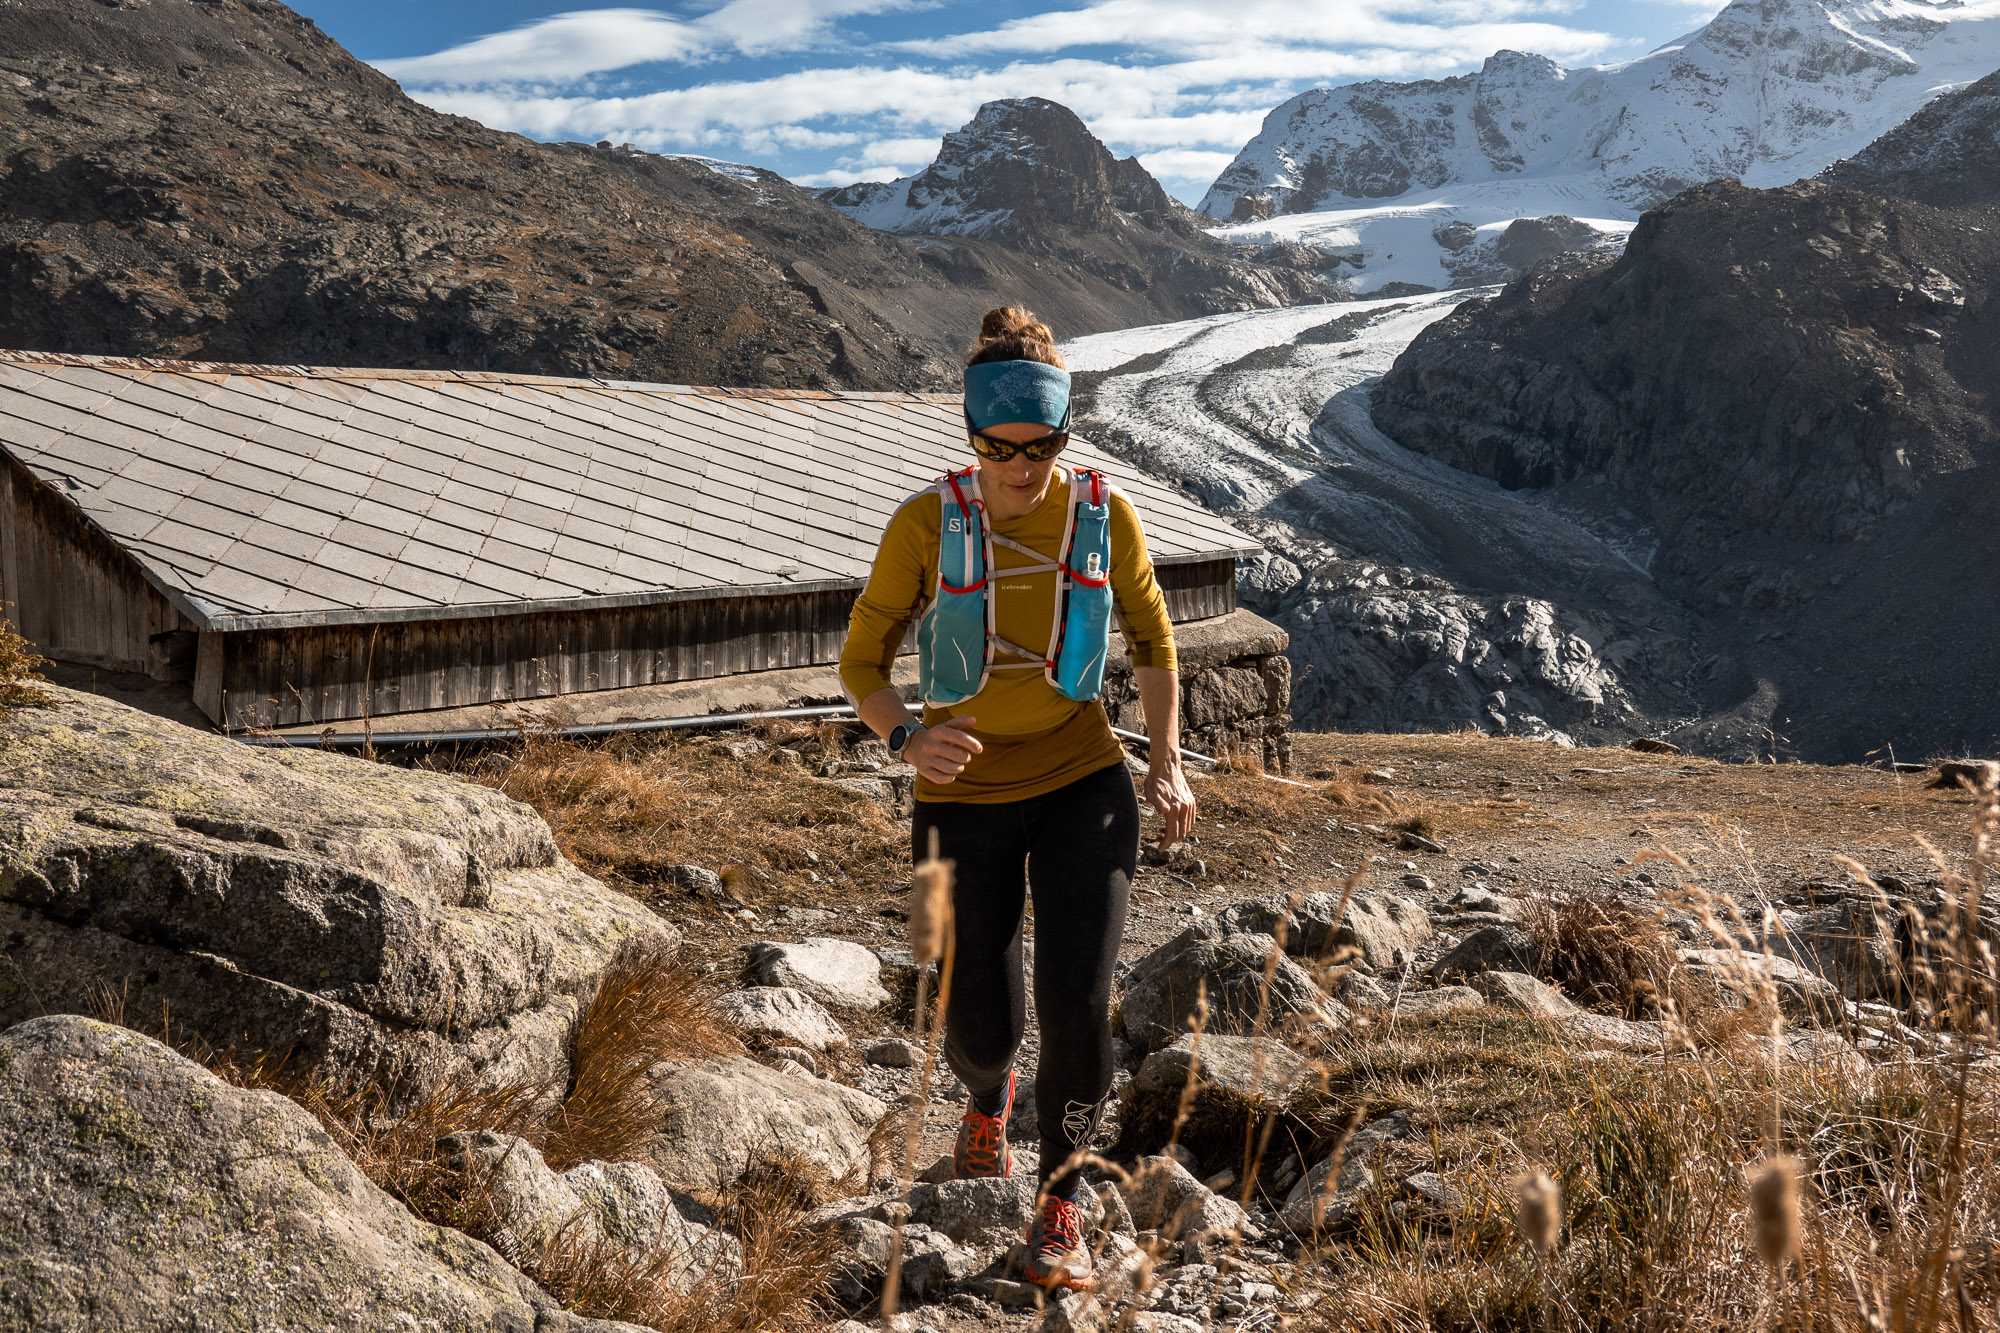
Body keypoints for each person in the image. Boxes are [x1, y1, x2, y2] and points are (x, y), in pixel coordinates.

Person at [838, 306, 1197, 1291]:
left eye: (1041, 448)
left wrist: (1164, 761)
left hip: (1084, 780)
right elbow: (860, 660)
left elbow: (1154, 634)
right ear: (971, 437)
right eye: (1001, 449)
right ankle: (986, 1096)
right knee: (979, 1026)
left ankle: (1060, 1208)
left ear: (1062, 436)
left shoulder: (1101, 513)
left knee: (1078, 1006)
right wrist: (906, 733)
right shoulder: (926, 523)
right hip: (961, 794)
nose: (1021, 469)